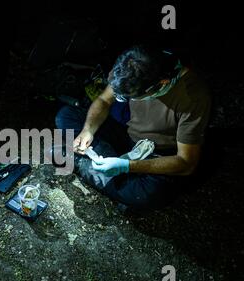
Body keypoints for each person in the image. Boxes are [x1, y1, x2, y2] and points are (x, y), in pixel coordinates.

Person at [56, 45, 211, 210]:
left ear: (161, 83)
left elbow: (186, 163)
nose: (120, 98)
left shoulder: (193, 98)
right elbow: (104, 100)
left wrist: (126, 165)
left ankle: (87, 166)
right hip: (127, 133)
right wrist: (88, 130)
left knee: (150, 195)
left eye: (129, 96)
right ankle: (112, 178)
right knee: (66, 116)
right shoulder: (132, 64)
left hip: (157, 151)